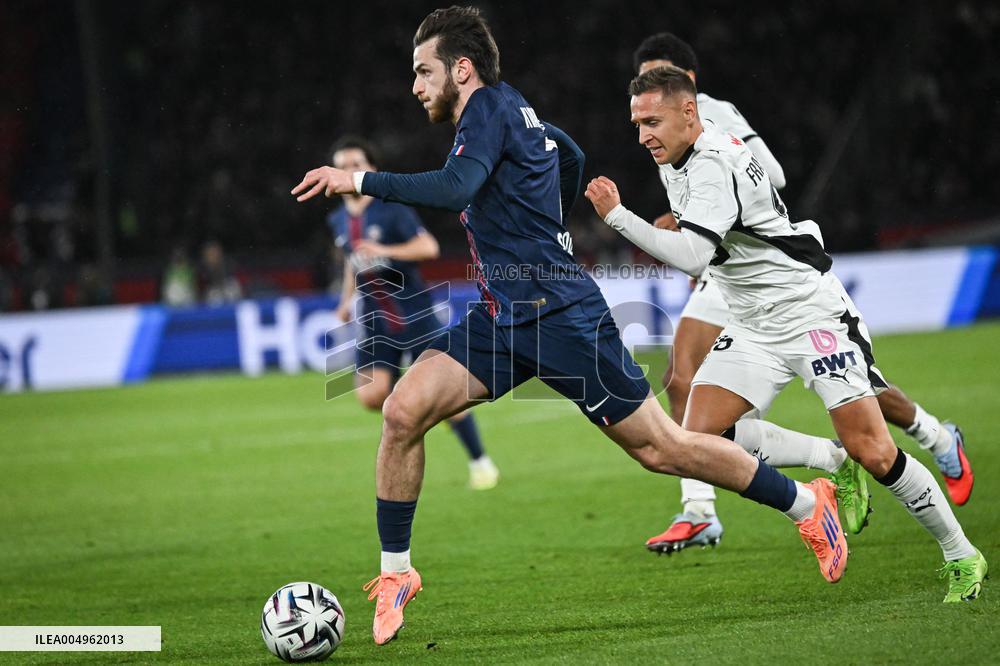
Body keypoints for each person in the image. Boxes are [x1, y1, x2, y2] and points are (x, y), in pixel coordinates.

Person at [293, 7, 849, 646]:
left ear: (462, 69)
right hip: (503, 315)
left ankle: (808, 503)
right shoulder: (510, 110)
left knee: (661, 449)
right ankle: (397, 573)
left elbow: (455, 188)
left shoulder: (488, 109)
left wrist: (356, 179)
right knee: (401, 411)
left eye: (424, 71)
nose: (415, 85)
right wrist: (543, 223)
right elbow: (569, 153)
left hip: (560, 315)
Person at [585, 65, 987, 602]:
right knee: (699, 439)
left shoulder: (713, 162)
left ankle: (961, 554)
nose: (643, 137)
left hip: (808, 313)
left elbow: (696, 256)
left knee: (874, 450)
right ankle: (831, 461)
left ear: (689, 112)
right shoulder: (682, 155)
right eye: (637, 124)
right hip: (752, 321)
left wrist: (618, 217)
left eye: (652, 122)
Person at [327, 135, 499, 490]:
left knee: (444, 397)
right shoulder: (337, 219)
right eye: (342, 166)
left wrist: (385, 250)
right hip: (375, 319)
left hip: (414, 312)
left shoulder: (392, 209)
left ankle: (481, 462)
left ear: (372, 169)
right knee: (370, 395)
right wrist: (345, 300)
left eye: (356, 164)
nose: (349, 170)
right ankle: (412, 406)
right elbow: (351, 261)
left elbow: (428, 246)